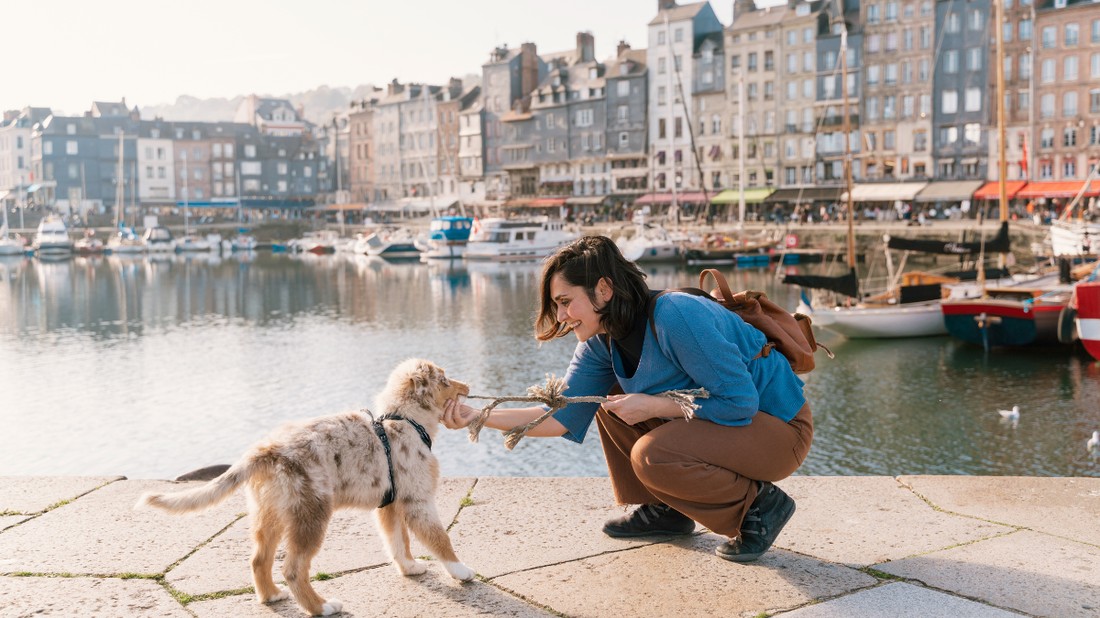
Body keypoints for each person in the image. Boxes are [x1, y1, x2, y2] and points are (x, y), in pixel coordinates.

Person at [443, 235, 813, 562]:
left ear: (604, 290)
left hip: (780, 431)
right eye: (557, 305)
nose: (561, 316)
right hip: (733, 430)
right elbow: (557, 417)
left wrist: (655, 406)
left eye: (566, 301)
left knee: (653, 454)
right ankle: (665, 511)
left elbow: (739, 402)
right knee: (609, 404)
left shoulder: (677, 315)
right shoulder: (601, 340)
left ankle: (760, 507)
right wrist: (477, 416)